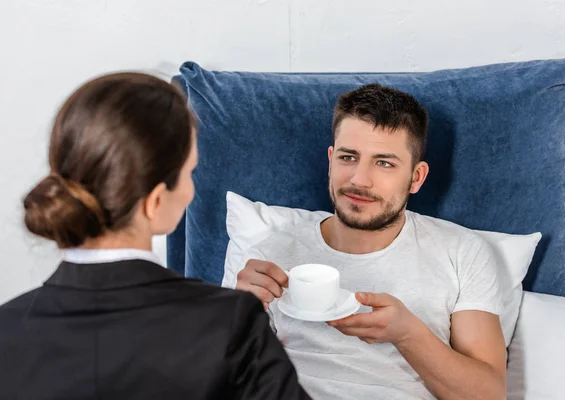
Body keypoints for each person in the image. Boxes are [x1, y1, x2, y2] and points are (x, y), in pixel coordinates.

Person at [0, 73, 310, 400]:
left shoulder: (6, 329)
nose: (192, 190)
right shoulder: (231, 323)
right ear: (156, 201)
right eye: (190, 172)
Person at [229, 84, 507, 400]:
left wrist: (407, 334)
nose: (360, 179)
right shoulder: (268, 258)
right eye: (349, 157)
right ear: (331, 160)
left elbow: (489, 395)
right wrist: (237, 316)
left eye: (384, 162)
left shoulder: (462, 253)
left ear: (416, 177)